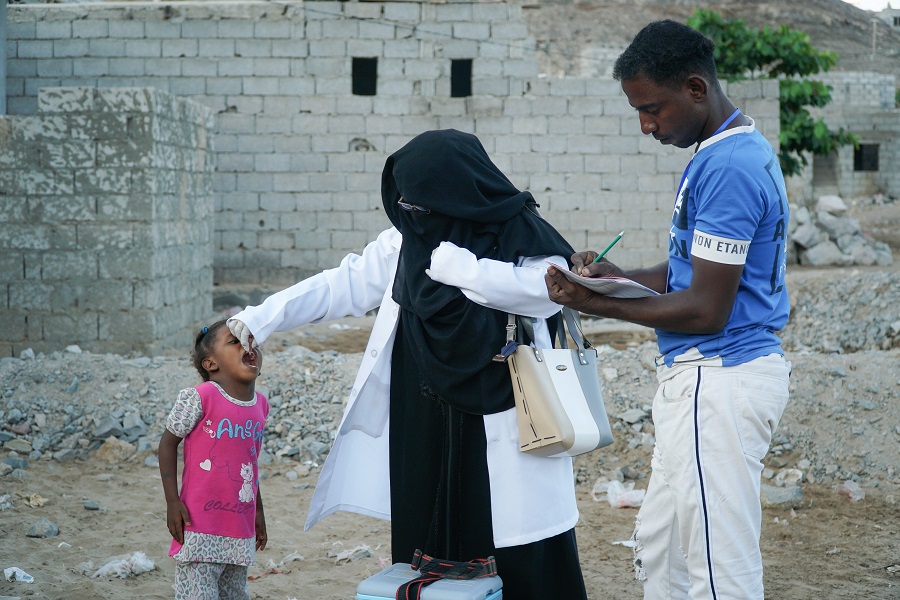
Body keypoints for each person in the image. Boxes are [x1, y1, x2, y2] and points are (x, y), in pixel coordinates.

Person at [227, 129, 588, 599]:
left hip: (503, 405)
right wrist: (259, 318)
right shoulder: (406, 239)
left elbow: (548, 292)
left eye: (421, 203)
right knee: (426, 536)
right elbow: (342, 285)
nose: (410, 213)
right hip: (422, 410)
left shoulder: (517, 230)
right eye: (405, 203)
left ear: (455, 192)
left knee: (513, 541)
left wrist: (465, 270)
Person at [545, 20, 791, 600]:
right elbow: (690, 273)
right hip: (705, 380)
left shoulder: (729, 168)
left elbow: (706, 308)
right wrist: (621, 277)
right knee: (663, 549)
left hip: (719, 377)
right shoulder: (721, 152)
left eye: (652, 109)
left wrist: (595, 302)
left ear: (696, 89)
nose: (646, 125)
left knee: (716, 567)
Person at [158, 319, 269, 600]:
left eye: (251, 341)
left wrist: (258, 512)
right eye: (235, 341)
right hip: (199, 527)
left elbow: (250, 465)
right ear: (211, 364)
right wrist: (172, 501)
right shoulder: (201, 397)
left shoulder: (260, 405)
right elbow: (168, 444)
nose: (247, 346)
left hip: (239, 532)